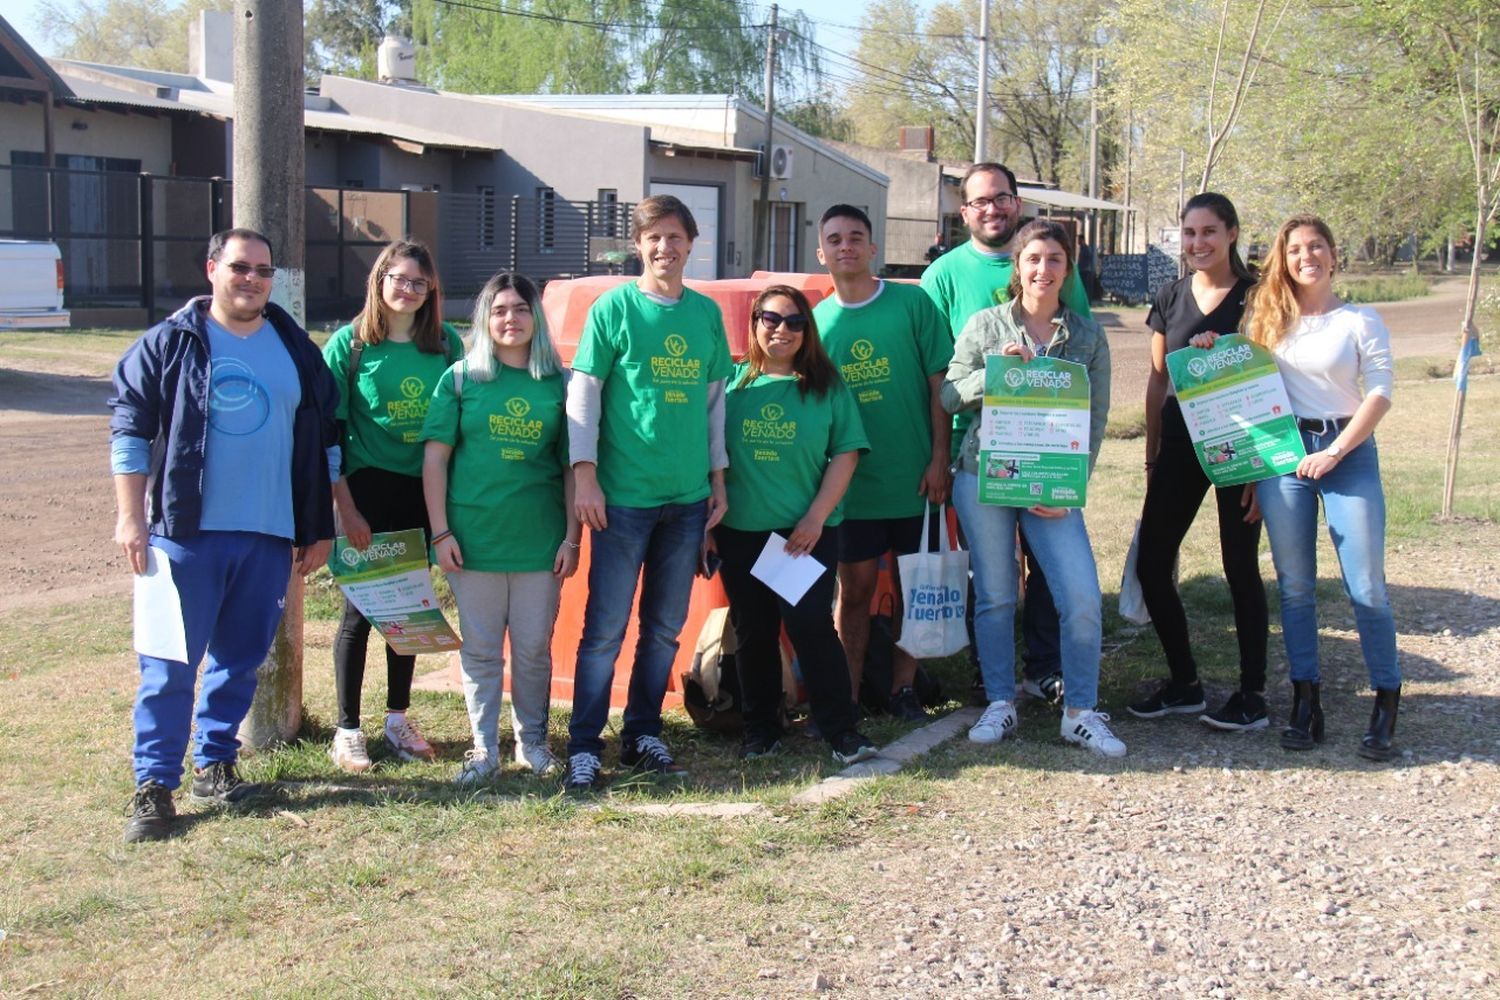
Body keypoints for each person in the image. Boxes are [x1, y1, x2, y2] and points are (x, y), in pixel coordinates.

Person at [110, 228, 340, 843]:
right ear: (212, 269)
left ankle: (215, 764)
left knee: (239, 661)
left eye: (263, 270)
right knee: (168, 664)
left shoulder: (296, 349)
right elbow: (130, 431)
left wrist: (320, 526)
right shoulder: (171, 343)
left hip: (269, 534)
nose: (252, 280)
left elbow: (325, 443)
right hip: (185, 534)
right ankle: (155, 785)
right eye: (240, 267)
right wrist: (131, 517)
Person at [563, 194, 734, 791]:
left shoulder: (706, 315)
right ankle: (583, 744)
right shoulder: (614, 309)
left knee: (663, 627)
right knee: (605, 629)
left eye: (675, 237)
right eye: (653, 238)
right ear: (639, 245)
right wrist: (585, 473)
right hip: (623, 499)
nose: (665, 247)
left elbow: (715, 404)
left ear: (692, 243)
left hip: (686, 501)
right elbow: (583, 395)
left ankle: (642, 735)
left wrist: (717, 481)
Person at [941, 219, 1124, 757]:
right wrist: (993, 374)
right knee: (996, 596)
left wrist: (1068, 488)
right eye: (1034, 259)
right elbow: (950, 396)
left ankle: (1081, 711)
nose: (1044, 270)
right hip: (984, 477)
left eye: (1055, 260)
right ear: (1018, 267)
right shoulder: (986, 326)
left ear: (1069, 270)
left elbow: (1096, 419)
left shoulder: (1088, 336)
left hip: (1051, 486)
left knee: (1082, 597)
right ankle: (1001, 701)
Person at [921, 163, 1094, 706]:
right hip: (979, 455)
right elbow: (938, 380)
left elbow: (1086, 378)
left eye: (1001, 198)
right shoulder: (943, 277)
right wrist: (941, 454)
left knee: (1048, 573)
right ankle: (991, 680)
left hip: (1048, 459)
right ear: (964, 211)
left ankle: (1045, 667)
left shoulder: (1067, 286)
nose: (991, 208)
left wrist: (1070, 480)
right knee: (991, 581)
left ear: (1017, 202)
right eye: (979, 201)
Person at [1242, 215, 1399, 759]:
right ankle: (1305, 702)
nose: (1305, 257)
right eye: (1294, 250)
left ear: (1334, 254)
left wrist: (1335, 451)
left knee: (1366, 586)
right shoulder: (1266, 322)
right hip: (1284, 458)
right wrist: (1219, 347)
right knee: (1295, 587)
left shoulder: (1359, 319)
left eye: (1316, 247)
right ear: (1282, 261)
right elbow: (1241, 382)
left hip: (1347, 452)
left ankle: (1385, 701)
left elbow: (1379, 392)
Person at [713, 284, 880, 765]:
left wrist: (814, 518)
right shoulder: (730, 384)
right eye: (771, 319)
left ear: (808, 330)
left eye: (794, 322)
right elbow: (709, 455)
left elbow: (846, 453)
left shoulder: (826, 386)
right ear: (754, 323)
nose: (781, 330)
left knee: (810, 626)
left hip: (803, 535)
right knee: (754, 631)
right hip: (741, 530)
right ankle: (761, 730)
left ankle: (841, 732)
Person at [422, 272, 579, 782]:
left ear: (537, 317)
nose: (510, 319)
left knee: (534, 650)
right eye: (499, 310)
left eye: (520, 309)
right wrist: (441, 532)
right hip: (473, 542)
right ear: (485, 319)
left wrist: (572, 538)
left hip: (539, 544)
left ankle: (531, 741)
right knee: (481, 650)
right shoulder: (462, 379)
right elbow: (435, 462)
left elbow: (572, 469)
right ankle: (482, 748)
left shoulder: (561, 384)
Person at [1126, 193, 1270, 731]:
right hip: (1182, 447)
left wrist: (1260, 467)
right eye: (1189, 233)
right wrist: (1151, 454)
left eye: (1209, 232)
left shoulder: (1258, 298)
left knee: (1240, 568)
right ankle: (1184, 683)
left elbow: (1269, 380)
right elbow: (1159, 378)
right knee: (1151, 562)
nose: (1198, 243)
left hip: (1240, 450)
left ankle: (1252, 693)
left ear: (1232, 232)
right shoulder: (1169, 295)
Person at [322, 240, 464, 772]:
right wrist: (348, 509)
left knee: (409, 605)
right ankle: (347, 728)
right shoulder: (349, 346)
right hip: (367, 492)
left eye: (419, 282)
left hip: (424, 490)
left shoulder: (446, 343)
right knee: (361, 608)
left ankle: (397, 718)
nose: (408, 289)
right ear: (379, 280)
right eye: (399, 278)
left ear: (432, 291)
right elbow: (329, 435)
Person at [813, 204, 953, 722]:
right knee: (855, 594)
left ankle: (902, 690)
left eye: (856, 237)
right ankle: (846, 696)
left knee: (918, 593)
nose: (845, 246)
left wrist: (940, 457)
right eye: (835, 239)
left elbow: (942, 386)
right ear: (821, 251)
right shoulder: (816, 324)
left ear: (873, 248)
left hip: (917, 481)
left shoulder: (912, 304)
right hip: (853, 491)